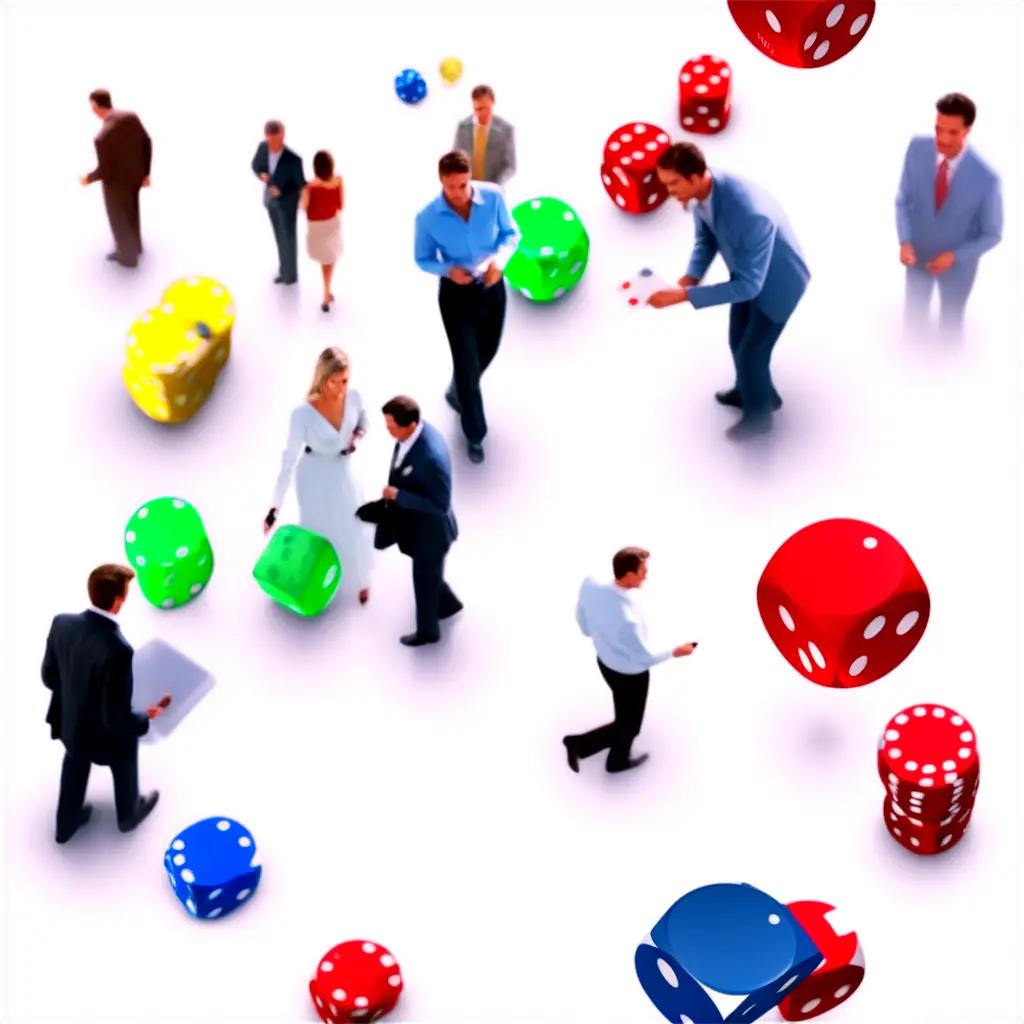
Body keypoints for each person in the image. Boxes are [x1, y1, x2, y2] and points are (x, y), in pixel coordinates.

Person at [648, 142, 810, 439]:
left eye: (673, 184)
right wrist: (690, 278)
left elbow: (750, 286)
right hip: (746, 275)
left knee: (752, 353)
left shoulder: (751, 214)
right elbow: (706, 240)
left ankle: (759, 417)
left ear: (695, 177)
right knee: (737, 340)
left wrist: (683, 297)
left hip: (777, 286)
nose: (669, 193)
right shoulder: (702, 195)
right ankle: (753, 391)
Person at [41, 564, 168, 843]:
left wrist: (77, 695)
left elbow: (48, 677)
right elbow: (116, 718)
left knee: (74, 762)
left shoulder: (60, 623)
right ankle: (128, 814)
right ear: (118, 601)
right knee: (126, 750)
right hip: (102, 737)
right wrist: (146, 719)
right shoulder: (118, 650)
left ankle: (66, 825)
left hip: (69, 724)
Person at [414, 151, 519, 464]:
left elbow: (511, 234)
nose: (457, 193)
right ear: (441, 183)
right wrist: (448, 271)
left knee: (486, 351)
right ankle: (475, 434)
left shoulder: (494, 197)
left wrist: (498, 262)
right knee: (467, 363)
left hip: (491, 286)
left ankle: (457, 388)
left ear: (470, 177)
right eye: (450, 187)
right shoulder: (427, 217)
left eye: (461, 185)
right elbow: (422, 258)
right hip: (455, 295)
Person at [563, 548, 696, 774]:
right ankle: (613, 760)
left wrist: (591, 632)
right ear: (629, 574)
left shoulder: (591, 584)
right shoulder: (628, 619)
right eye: (642, 570)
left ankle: (582, 745)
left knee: (625, 720)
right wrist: (676, 651)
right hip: (630, 676)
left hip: (605, 663)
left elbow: (580, 614)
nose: (646, 574)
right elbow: (645, 658)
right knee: (631, 726)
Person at [265, 347, 372, 605]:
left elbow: (364, 421)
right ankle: (311, 579)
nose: (341, 388)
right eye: (334, 382)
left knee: (352, 523)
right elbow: (288, 459)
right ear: (322, 379)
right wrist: (275, 507)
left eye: (345, 381)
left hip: (342, 470)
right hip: (313, 476)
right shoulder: (302, 414)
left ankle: (360, 577)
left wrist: (356, 436)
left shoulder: (354, 397)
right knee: (318, 527)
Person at [895, 92, 1003, 337]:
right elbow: (903, 200)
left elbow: (992, 234)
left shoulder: (986, 178)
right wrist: (905, 241)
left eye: (952, 132)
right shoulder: (916, 149)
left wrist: (954, 256)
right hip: (917, 257)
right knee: (912, 324)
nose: (942, 139)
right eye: (938, 129)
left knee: (950, 328)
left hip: (958, 268)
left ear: (967, 130)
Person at [379, 396, 462, 646]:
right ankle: (448, 605)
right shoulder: (412, 437)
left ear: (411, 425)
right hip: (419, 529)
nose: (388, 430)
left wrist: (400, 496)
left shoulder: (430, 458)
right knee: (431, 576)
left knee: (424, 583)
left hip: (430, 536)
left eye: (392, 426)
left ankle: (428, 632)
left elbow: (440, 504)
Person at [79, 89, 152, 268]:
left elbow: (105, 170)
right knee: (132, 212)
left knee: (119, 219)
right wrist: (146, 173)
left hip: (115, 185)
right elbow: (147, 142)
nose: (92, 110)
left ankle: (127, 257)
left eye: (92, 106)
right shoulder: (131, 117)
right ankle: (136, 247)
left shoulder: (102, 136)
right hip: (135, 178)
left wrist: (88, 178)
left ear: (96, 105)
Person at [251, 119, 306, 284]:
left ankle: (290, 276)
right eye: (271, 140)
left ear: (283, 135)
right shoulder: (262, 148)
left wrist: (282, 191)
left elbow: (301, 185)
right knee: (279, 237)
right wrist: (262, 174)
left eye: (279, 139)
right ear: (267, 137)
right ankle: (284, 270)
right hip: (271, 201)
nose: (275, 144)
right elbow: (255, 165)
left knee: (288, 239)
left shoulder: (294, 160)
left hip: (287, 204)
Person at [300, 150, 344, 312]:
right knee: (329, 261)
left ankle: (326, 293)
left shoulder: (309, 187)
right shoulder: (339, 181)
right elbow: (341, 206)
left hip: (316, 227)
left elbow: (303, 208)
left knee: (324, 261)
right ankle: (326, 292)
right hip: (332, 224)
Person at [452, 84, 517, 187]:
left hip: (493, 191)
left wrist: (495, 186)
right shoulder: (463, 127)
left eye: (486, 108)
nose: (482, 113)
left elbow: (510, 166)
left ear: (493, 103)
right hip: (466, 191)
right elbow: (454, 159)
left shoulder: (506, 130)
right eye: (478, 109)